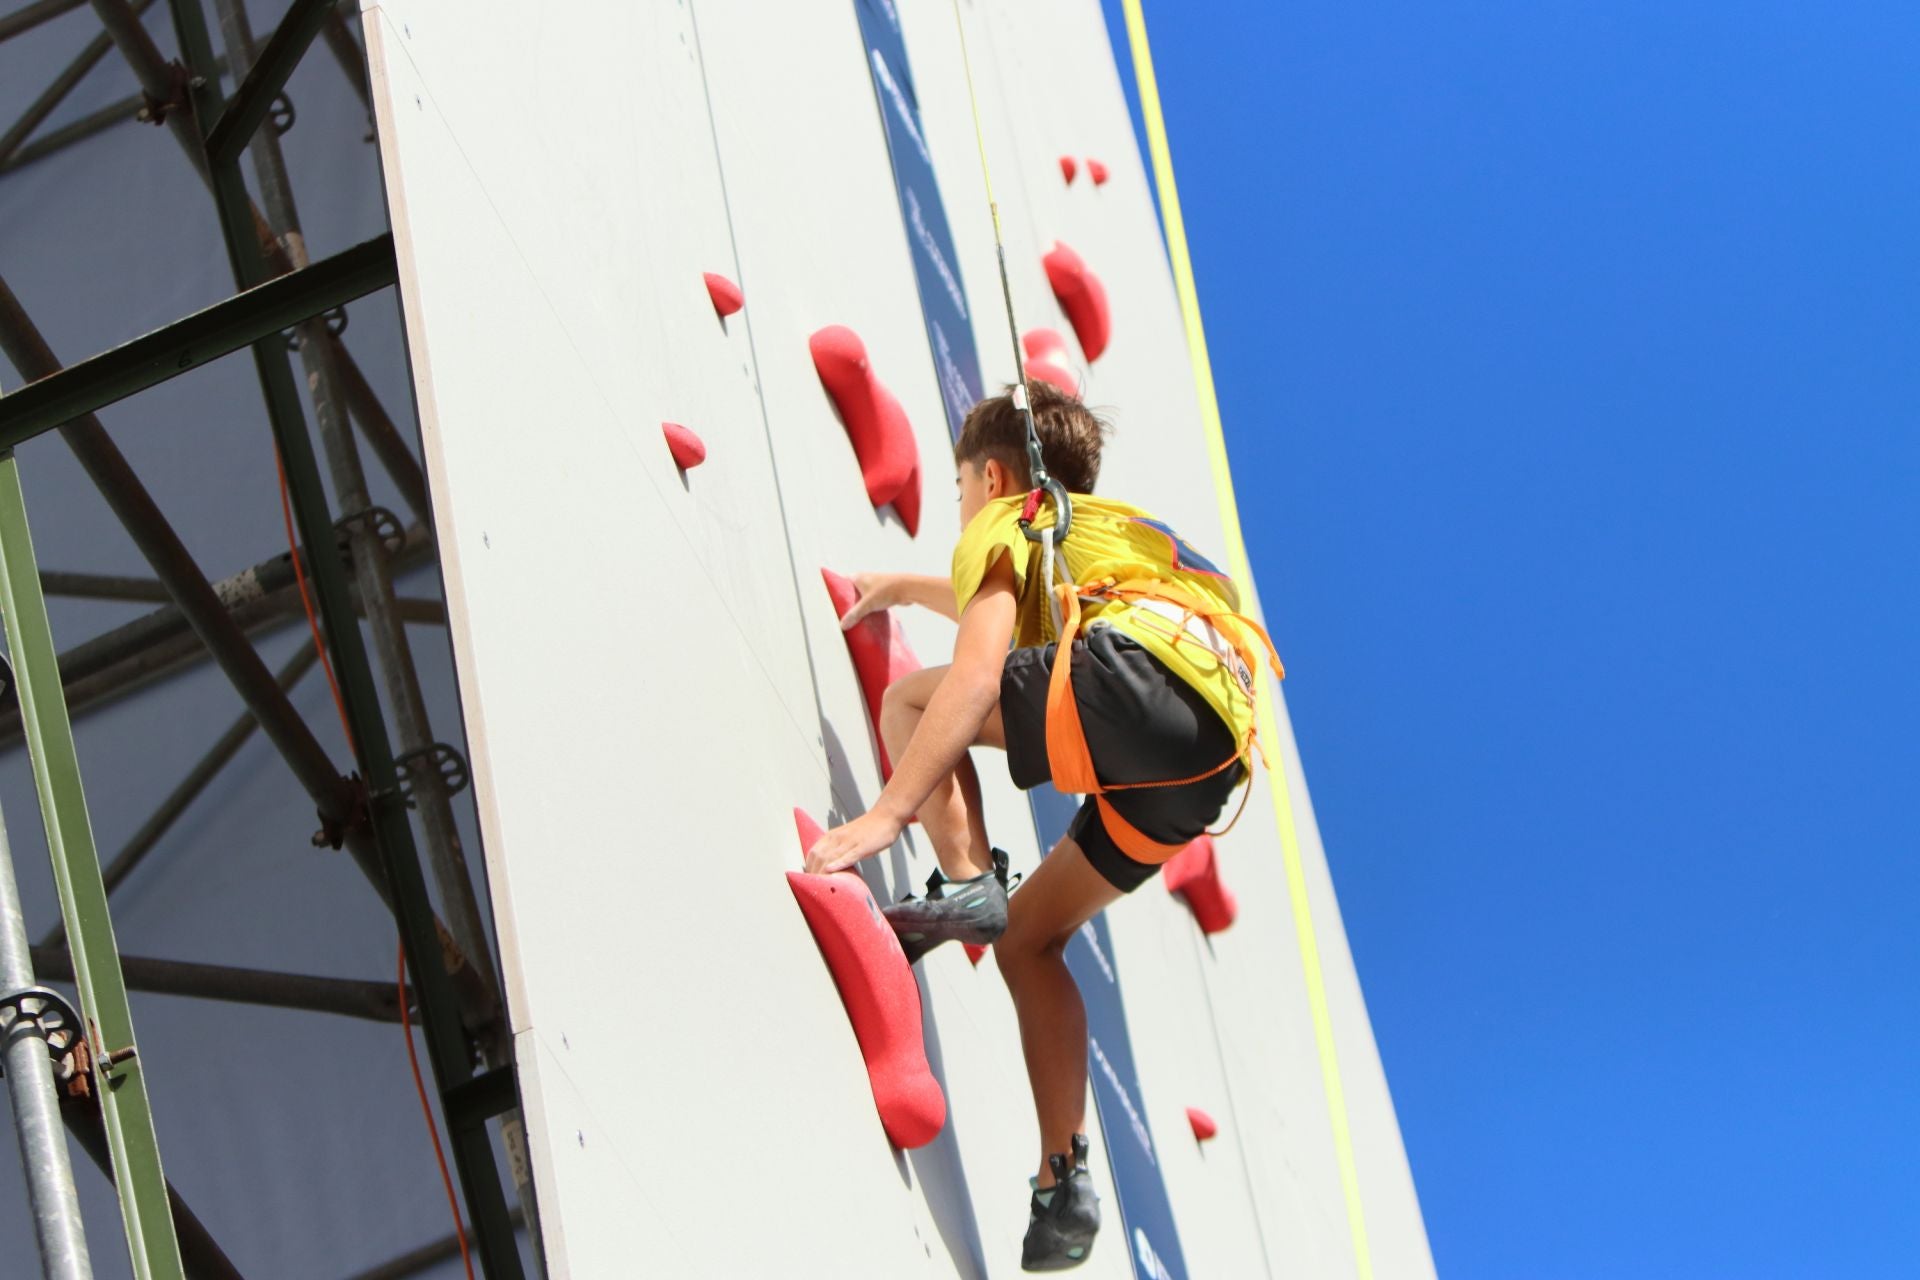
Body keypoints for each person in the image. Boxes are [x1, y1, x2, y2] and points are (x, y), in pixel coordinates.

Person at [803, 380, 1279, 1271]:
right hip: (1207, 761)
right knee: (1031, 940)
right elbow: (1028, 603)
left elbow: (979, 674)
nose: (959, 516)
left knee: (914, 701)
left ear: (990, 479)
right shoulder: (1101, 538)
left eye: (955, 498)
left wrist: (885, 814)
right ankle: (1063, 1178)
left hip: (1139, 683)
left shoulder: (1007, 514)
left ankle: (966, 877)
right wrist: (908, 585)